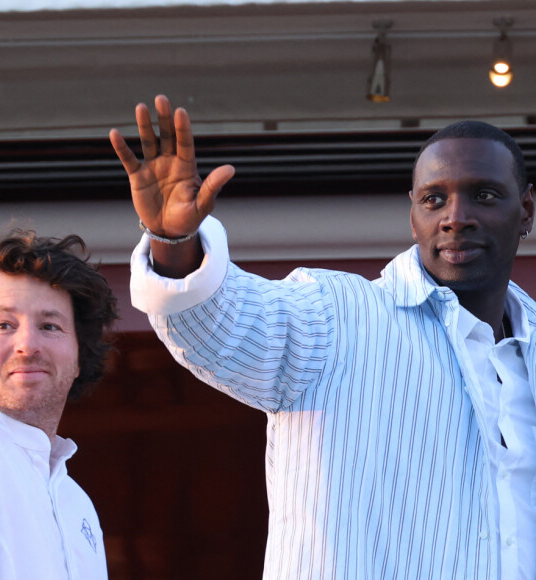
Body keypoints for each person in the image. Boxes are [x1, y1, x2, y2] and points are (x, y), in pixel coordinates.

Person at [110, 95, 536, 579]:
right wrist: (174, 245)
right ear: (412, 216)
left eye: (483, 195)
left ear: (526, 210)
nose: (455, 216)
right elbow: (219, 324)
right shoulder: (337, 316)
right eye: (434, 199)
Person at [0, 230, 118, 580]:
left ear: (79, 357)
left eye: (49, 325)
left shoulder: (76, 502)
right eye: (4, 325)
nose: (27, 345)